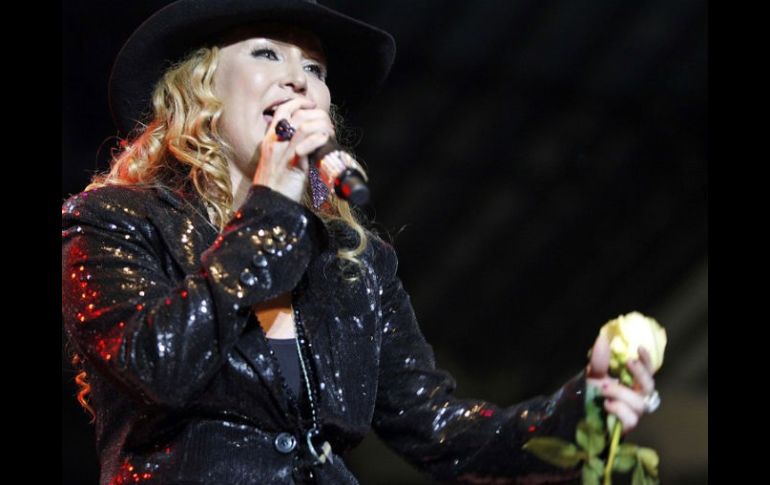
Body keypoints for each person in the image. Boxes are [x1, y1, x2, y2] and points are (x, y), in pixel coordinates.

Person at [62, 1, 659, 483]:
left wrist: (582, 411)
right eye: (267, 52)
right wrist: (271, 207)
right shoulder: (116, 220)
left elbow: (441, 429)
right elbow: (156, 364)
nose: (298, 80)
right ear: (199, 85)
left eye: (316, 70)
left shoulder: (353, 262)